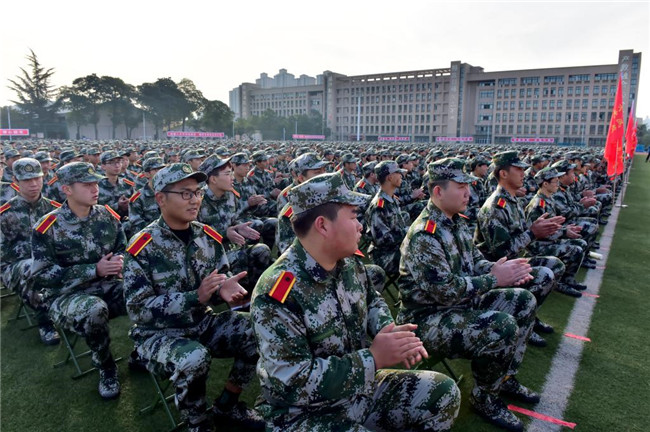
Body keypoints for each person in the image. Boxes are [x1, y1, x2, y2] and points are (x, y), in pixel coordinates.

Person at [251, 172, 460, 431]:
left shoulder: (348, 262)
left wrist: (386, 329)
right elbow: (292, 381)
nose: (360, 226)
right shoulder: (278, 292)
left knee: (444, 392)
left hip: (358, 390)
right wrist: (373, 359)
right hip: (303, 413)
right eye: (353, 217)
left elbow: (373, 299)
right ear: (323, 226)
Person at [398, 158, 546, 432]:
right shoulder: (425, 235)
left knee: (523, 300)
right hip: (427, 320)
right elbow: (445, 291)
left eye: (468, 186)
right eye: (460, 186)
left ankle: (504, 379)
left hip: (460, 304)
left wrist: (500, 269)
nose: (468, 192)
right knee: (501, 326)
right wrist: (495, 279)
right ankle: (484, 398)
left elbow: (474, 261)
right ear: (438, 191)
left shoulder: (455, 222)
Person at [123, 163, 263, 432]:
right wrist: (194, 297)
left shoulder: (207, 237)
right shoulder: (142, 246)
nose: (195, 200)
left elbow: (219, 280)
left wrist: (223, 289)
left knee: (256, 328)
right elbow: (137, 309)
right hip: (158, 334)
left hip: (201, 323)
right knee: (194, 357)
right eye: (185, 194)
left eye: (197, 192)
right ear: (161, 199)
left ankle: (227, 405)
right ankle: (197, 422)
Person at [30, 162, 126, 399]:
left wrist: (121, 261)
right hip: (66, 296)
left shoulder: (107, 216)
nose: (95, 189)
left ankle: (146, 350)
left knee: (147, 293)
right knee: (94, 309)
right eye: (87, 184)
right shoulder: (47, 227)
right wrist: (94, 270)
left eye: (96, 183)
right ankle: (106, 365)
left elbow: (122, 248)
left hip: (106, 286)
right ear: (67, 189)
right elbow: (42, 275)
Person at [475, 151, 565, 345]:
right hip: (496, 269)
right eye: (518, 169)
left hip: (514, 261)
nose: (524, 173)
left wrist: (538, 229)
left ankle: (529, 315)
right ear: (503, 174)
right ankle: (522, 321)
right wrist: (532, 233)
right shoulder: (496, 207)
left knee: (555, 265)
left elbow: (520, 235)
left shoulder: (513, 200)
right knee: (544, 274)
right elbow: (500, 253)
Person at [0, 158, 61, 344]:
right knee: (33, 267)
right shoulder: (5, 214)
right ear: (15, 181)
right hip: (14, 267)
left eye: (37, 178)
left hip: (51, 263)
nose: (33, 184)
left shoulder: (55, 209)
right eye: (27, 180)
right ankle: (45, 323)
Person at [198, 155, 271, 294]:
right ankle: (239, 297)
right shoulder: (198, 199)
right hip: (210, 255)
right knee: (239, 256)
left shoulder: (230, 195)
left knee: (262, 250)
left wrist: (238, 227)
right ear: (213, 179)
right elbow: (195, 233)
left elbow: (235, 218)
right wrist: (224, 233)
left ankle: (255, 292)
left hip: (230, 247)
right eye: (227, 174)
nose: (232, 177)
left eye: (231, 173)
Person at [365, 160, 410, 275]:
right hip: (384, 256)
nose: (401, 176)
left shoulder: (391, 199)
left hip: (396, 248)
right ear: (390, 177)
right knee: (420, 257)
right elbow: (382, 239)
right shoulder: (379, 205)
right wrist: (408, 233)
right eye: (398, 173)